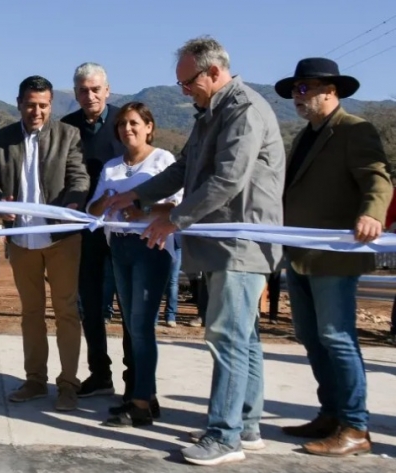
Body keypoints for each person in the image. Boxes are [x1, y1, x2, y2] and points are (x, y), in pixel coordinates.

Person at [107, 36, 284, 465]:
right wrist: (138, 198)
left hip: (240, 244)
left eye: (188, 83)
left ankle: (224, 437)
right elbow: (185, 169)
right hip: (221, 244)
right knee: (244, 339)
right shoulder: (210, 113)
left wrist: (174, 219)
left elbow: (226, 180)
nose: (185, 92)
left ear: (214, 72)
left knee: (226, 338)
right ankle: (246, 423)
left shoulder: (243, 111)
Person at [276, 57, 391, 457]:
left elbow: (377, 176)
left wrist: (372, 213)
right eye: (295, 89)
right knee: (311, 337)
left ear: (331, 90)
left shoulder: (354, 130)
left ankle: (356, 426)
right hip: (301, 254)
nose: (297, 96)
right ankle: (331, 413)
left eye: (305, 87)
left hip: (336, 257)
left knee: (337, 338)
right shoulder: (304, 136)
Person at [0, 75, 88, 412]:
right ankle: (35, 380)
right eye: (31, 104)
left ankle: (68, 385)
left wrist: (75, 202)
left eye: (43, 105)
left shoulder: (68, 135)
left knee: (66, 312)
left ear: (50, 106)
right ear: (19, 103)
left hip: (62, 238)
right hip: (21, 239)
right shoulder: (2, 139)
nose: (37, 111)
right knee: (30, 313)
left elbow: (79, 176)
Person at [88, 101, 181, 427]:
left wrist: (143, 209)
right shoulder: (111, 166)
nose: (127, 129)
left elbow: (176, 205)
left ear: (149, 127)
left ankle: (140, 402)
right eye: (122, 124)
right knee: (131, 325)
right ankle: (146, 395)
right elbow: (93, 210)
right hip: (119, 248)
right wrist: (108, 200)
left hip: (151, 247)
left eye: (134, 123)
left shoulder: (163, 161)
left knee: (141, 326)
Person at [60, 63, 127, 399]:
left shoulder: (125, 122)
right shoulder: (66, 127)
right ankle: (100, 374)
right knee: (89, 305)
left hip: (123, 231)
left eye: (96, 89)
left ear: (107, 90)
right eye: (83, 90)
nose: (90, 96)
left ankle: (137, 381)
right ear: (75, 94)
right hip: (83, 232)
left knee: (128, 307)